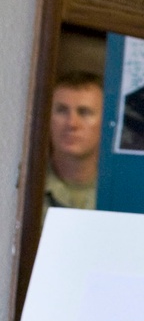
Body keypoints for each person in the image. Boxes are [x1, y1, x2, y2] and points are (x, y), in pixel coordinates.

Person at [44, 71, 103, 215]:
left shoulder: (121, 192)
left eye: (84, 112)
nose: (71, 123)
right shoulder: (27, 186)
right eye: (61, 111)